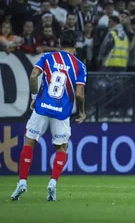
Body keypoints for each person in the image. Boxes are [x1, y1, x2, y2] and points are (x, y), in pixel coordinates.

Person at [10, 29, 87, 202]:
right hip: (62, 113)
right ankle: (53, 182)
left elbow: (33, 76)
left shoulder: (48, 57)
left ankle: (22, 181)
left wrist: (34, 97)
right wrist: (82, 111)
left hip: (42, 108)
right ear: (75, 45)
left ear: (60, 43)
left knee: (29, 143)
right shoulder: (79, 66)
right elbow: (80, 94)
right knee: (61, 148)